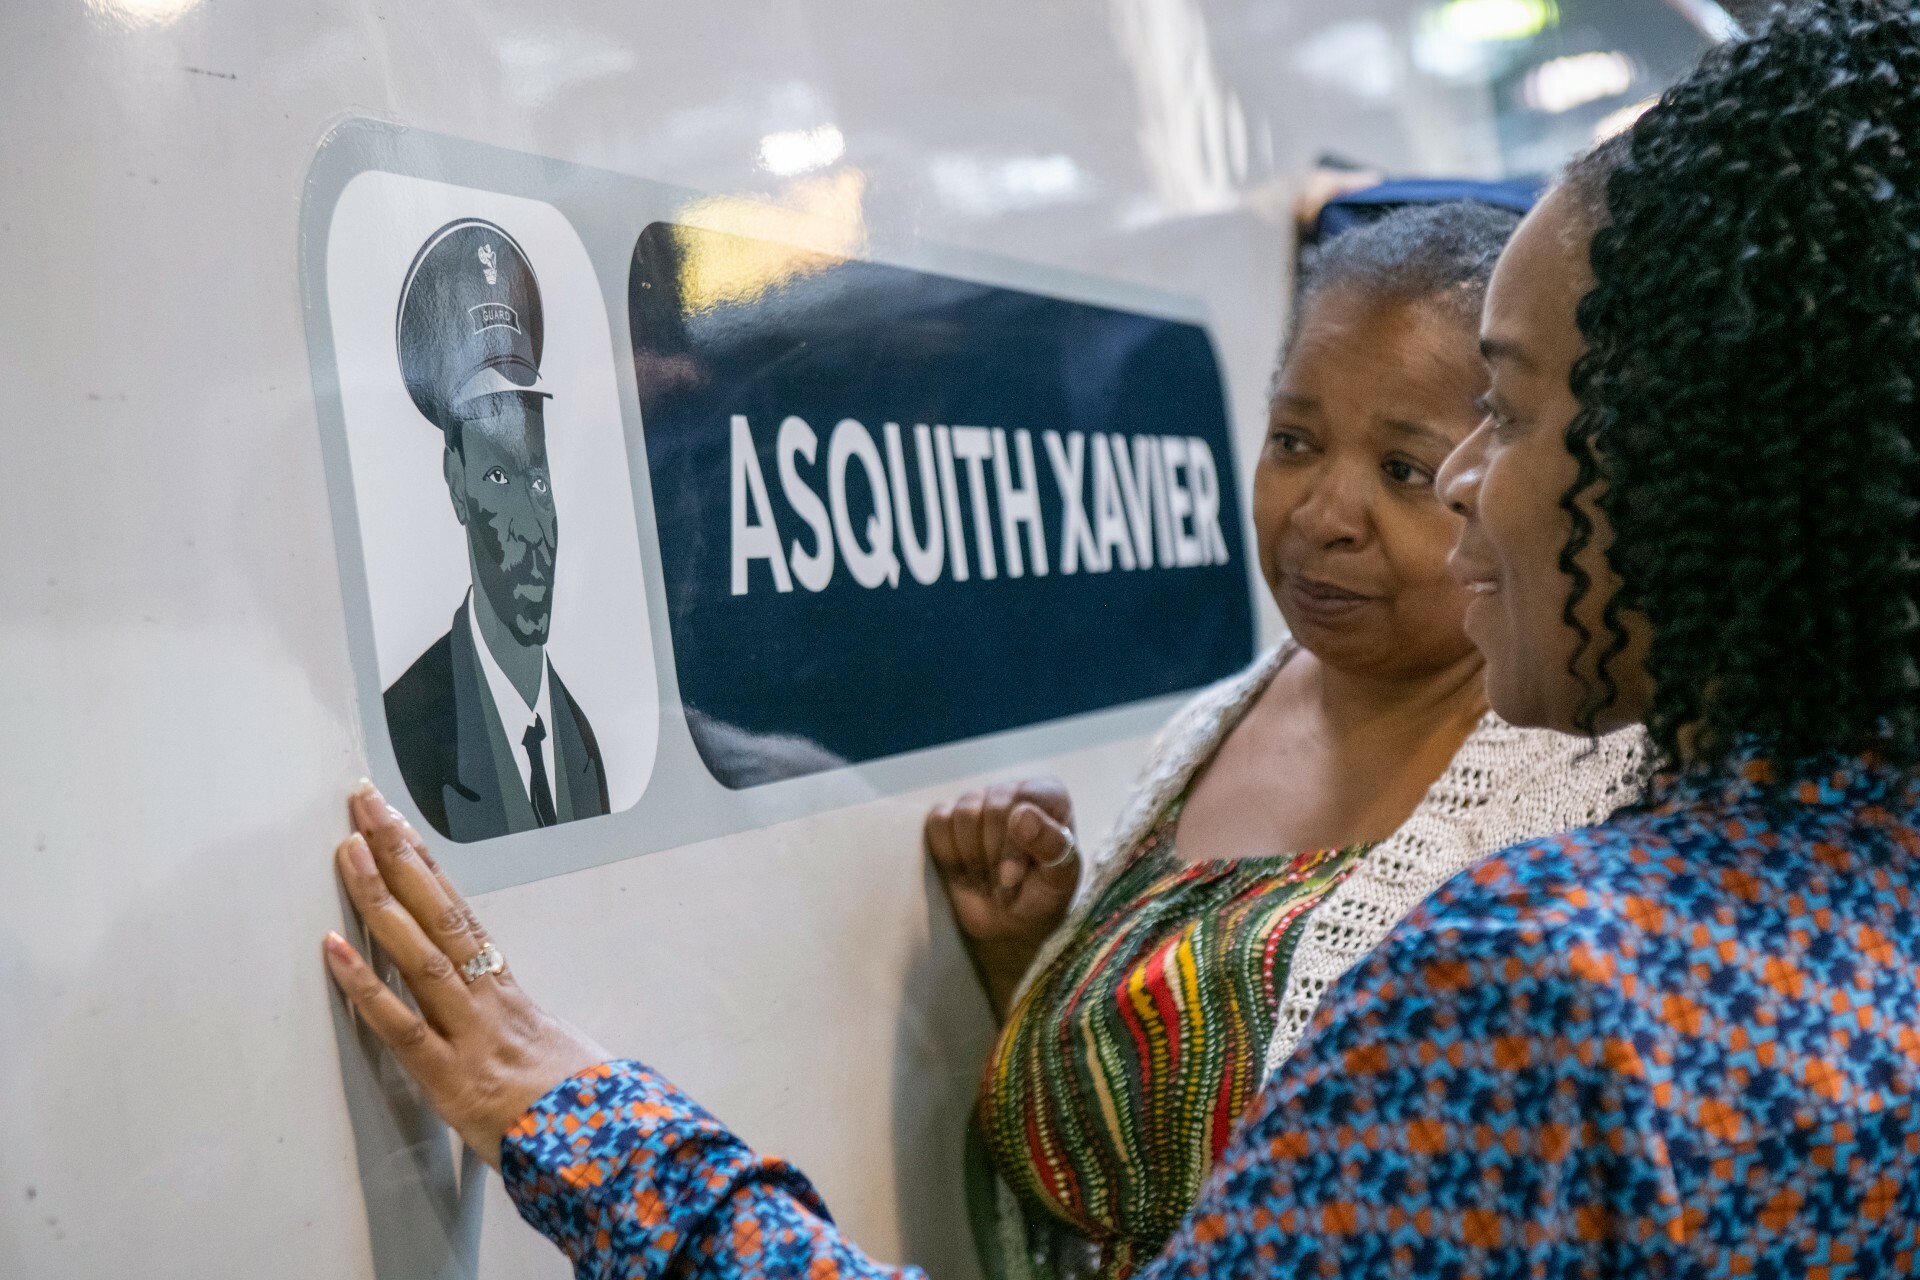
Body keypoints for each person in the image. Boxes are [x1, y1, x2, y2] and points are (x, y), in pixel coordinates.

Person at [321, 3, 1920, 1273]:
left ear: (1708, 451)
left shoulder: (1545, 989)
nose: (1458, 485)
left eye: (1503, 407)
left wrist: (592, 1128)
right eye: (1297, 438)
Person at [923, 202, 1645, 1279]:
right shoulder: (1205, 733)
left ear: (1503, 475)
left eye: (1404, 469)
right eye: (1295, 441)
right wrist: (1025, 958)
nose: (1324, 512)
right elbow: (1128, 1129)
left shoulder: (1591, 790)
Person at [384, 219, 609, 842]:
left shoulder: (582, 741)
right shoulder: (409, 735)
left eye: (538, 484)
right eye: (500, 483)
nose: (532, 531)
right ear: (456, 483)